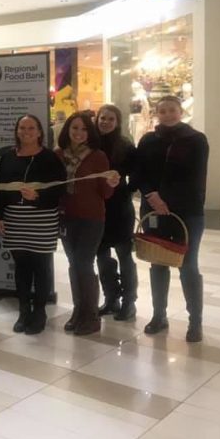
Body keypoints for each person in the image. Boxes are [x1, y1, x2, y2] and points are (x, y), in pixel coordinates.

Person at [134, 95, 209, 343]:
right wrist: (152, 196)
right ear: (156, 113)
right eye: (163, 111)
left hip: (186, 212)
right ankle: (159, 316)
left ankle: (195, 321)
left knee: (188, 265)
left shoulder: (196, 140)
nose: (167, 115)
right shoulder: (148, 140)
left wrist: (167, 201)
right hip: (153, 211)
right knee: (158, 262)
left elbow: (196, 179)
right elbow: (139, 173)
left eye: (172, 110)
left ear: (180, 112)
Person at [0, 115, 65, 335]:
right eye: (22, 128)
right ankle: (24, 311)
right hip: (15, 219)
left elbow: (60, 190)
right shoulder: (7, 158)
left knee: (42, 268)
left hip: (42, 219)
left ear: (40, 132)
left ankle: (40, 312)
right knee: (22, 268)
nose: (26, 132)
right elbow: (0, 189)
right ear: (16, 131)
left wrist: (38, 196)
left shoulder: (50, 158)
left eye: (31, 128)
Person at [56, 111, 120, 336]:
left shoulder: (98, 156)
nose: (79, 133)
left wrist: (111, 182)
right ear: (67, 130)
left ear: (90, 132)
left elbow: (105, 193)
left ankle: (91, 316)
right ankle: (78, 310)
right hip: (66, 217)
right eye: (74, 128)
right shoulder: (58, 155)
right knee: (74, 264)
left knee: (84, 264)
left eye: (84, 129)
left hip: (91, 219)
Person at [95, 104, 139, 321]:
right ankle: (111, 298)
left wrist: (125, 190)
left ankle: (129, 302)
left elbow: (137, 173)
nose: (106, 122)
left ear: (117, 122)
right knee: (101, 255)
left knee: (124, 255)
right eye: (103, 118)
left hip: (120, 209)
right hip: (97, 207)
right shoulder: (89, 143)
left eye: (111, 119)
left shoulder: (125, 145)